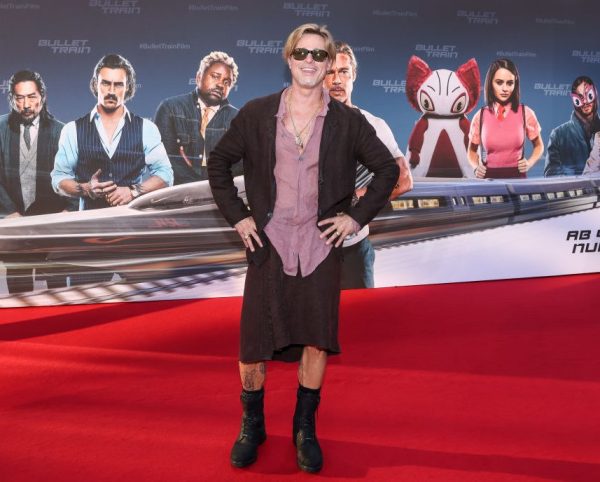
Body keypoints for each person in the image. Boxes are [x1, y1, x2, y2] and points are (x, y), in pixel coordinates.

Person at [207, 24, 399, 473]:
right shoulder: (257, 114)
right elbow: (218, 163)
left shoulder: (348, 122)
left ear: (329, 63)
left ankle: (304, 427)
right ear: (288, 58)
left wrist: (354, 217)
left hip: (319, 249)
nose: (309, 61)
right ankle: (252, 425)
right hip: (268, 245)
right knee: (253, 344)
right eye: (301, 53)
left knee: (316, 340)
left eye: (318, 54)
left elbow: (387, 170)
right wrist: (239, 217)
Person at [324, 40, 413, 289]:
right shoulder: (305, 125)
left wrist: (357, 200)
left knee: (361, 313)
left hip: (354, 250)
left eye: (344, 72)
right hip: (310, 249)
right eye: (330, 72)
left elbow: (404, 179)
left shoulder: (374, 124)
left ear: (354, 76)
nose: (337, 80)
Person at [52, 54, 173, 210]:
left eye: (118, 85)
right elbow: (59, 178)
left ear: (128, 86)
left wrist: (134, 191)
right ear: (95, 84)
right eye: (105, 83)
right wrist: (86, 189)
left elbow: (165, 175)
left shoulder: (147, 129)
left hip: (132, 218)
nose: (111, 91)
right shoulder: (72, 130)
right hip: (89, 219)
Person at [0, 70, 75, 293]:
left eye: (32, 97)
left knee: (56, 290)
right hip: (14, 224)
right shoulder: (0, 128)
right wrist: (9, 212)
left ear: (42, 96)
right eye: (19, 98)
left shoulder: (62, 131)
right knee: (19, 291)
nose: (26, 105)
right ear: (11, 99)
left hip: (51, 226)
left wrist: (67, 213)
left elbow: (76, 176)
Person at [154, 51, 240, 184]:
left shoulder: (238, 119)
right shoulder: (170, 108)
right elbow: (165, 157)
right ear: (199, 77)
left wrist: (215, 185)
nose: (220, 84)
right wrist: (198, 187)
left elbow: (242, 163)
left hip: (221, 189)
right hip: (179, 189)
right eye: (215, 76)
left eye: (226, 82)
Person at [468, 58, 544, 179]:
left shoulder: (526, 113)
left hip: (517, 181)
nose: (505, 89)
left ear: (515, 84)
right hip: (489, 181)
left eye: (510, 83)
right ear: (490, 83)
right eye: (499, 82)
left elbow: (539, 146)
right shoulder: (480, 115)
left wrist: (529, 163)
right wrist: (476, 167)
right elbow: (471, 151)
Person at [545, 76, 600, 176]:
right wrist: (576, 180)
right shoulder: (558, 135)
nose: (585, 102)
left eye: (589, 95)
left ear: (595, 94)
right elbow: (551, 175)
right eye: (580, 98)